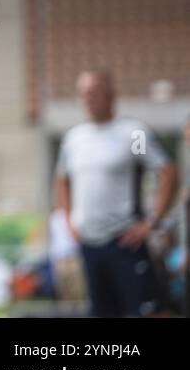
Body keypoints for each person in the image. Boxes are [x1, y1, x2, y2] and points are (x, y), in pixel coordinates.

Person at [55, 70, 179, 317]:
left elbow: (167, 170)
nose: (88, 99)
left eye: (94, 92)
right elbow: (62, 179)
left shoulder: (132, 133)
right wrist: (69, 220)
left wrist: (152, 221)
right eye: (83, 94)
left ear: (111, 95)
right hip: (90, 244)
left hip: (125, 242)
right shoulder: (74, 139)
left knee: (147, 311)